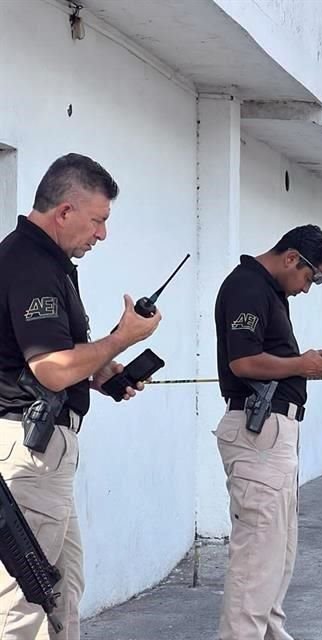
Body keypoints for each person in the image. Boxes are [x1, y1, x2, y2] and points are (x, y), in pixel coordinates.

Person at [0, 154, 162, 638]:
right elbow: (50, 370)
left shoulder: (49, 262)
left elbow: (52, 358)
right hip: (29, 452)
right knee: (24, 600)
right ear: (65, 211)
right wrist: (123, 339)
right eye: (99, 220)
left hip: (44, 451)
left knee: (62, 590)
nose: (102, 234)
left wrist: (102, 371)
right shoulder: (29, 263)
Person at [213, 225, 322, 640]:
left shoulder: (269, 292)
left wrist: (304, 364)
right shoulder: (248, 287)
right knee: (257, 561)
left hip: (273, 432)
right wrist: (300, 365)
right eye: (311, 277)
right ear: (291, 258)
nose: (307, 288)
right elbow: (244, 362)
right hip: (257, 432)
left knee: (278, 556)